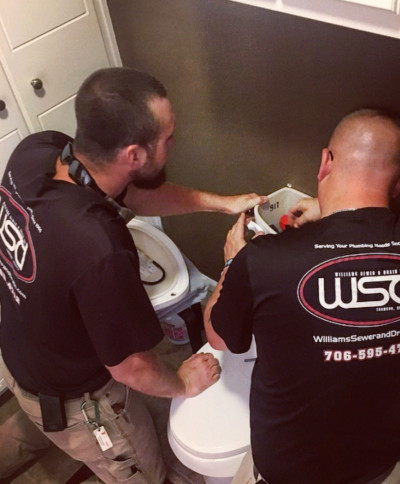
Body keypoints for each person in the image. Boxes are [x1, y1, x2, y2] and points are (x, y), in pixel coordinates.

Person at [0, 67, 267, 483]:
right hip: (80, 399)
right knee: (142, 471)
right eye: (168, 137)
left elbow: (135, 195)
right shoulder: (99, 249)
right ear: (134, 156)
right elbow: (131, 369)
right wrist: (183, 382)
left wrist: (224, 203)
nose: (174, 143)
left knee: (34, 425)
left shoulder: (38, 151)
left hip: (20, 351)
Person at [204, 108, 400, 484]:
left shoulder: (263, 260)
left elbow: (218, 338)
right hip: (378, 466)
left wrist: (232, 263)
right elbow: (384, 225)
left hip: (288, 472)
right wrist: (328, 210)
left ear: (325, 161)